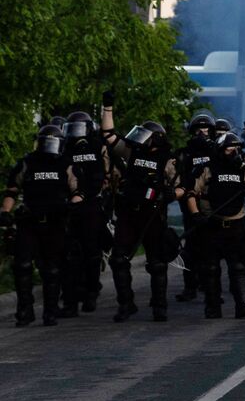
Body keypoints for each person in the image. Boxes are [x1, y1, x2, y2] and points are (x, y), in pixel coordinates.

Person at [102, 100, 179, 322]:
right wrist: (108, 108)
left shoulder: (166, 159)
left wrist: (172, 194)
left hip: (152, 215)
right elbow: (109, 135)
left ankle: (160, 306)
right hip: (128, 214)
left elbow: (182, 186)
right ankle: (126, 304)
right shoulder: (131, 151)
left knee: (157, 262)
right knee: (118, 260)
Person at [2, 125, 82, 326]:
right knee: (22, 266)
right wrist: (5, 212)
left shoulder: (66, 164)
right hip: (29, 221)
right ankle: (25, 311)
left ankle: (50, 311)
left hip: (55, 222)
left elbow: (77, 192)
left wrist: (71, 208)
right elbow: (12, 190)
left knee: (51, 269)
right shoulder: (27, 163)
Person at [184, 131, 245, 318]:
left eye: (236, 148)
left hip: (235, 226)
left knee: (238, 267)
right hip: (212, 225)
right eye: (229, 148)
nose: (233, 151)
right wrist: (195, 215)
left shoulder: (242, 170)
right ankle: (212, 306)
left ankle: (242, 304)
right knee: (210, 268)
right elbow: (191, 193)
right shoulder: (207, 169)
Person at [61, 111, 112, 315]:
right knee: (69, 255)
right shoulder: (63, 148)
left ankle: (91, 293)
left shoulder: (99, 146)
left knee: (92, 253)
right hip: (68, 207)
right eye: (72, 129)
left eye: (80, 128)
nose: (76, 134)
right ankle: (70, 302)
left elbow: (107, 174)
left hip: (92, 205)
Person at [174, 113, 218, 304]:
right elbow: (177, 178)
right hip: (190, 206)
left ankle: (212, 290)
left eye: (206, 129)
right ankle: (189, 287)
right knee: (190, 249)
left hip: (213, 205)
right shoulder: (185, 153)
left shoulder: (217, 150)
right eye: (198, 130)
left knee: (212, 249)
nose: (202, 132)